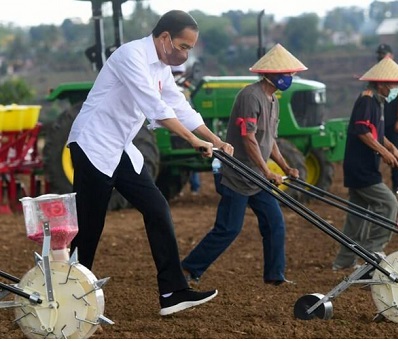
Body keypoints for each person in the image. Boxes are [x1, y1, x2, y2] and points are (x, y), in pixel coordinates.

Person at [66, 10, 234, 316]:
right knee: (89, 227)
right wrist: (192, 140)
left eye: (190, 49)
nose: (185, 54)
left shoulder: (161, 67)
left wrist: (215, 140)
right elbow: (154, 107)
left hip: (120, 148)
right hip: (92, 145)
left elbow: (179, 106)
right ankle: (67, 293)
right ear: (166, 38)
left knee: (158, 208)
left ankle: (173, 292)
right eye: (183, 46)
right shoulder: (131, 55)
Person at [181, 43, 304, 286]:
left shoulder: (274, 101)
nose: (290, 78)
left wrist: (285, 166)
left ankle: (274, 276)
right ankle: (188, 269)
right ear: (273, 75)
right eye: (287, 74)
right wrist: (268, 171)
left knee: (275, 224)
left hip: (257, 179)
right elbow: (248, 139)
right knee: (228, 229)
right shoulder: (251, 96)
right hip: (238, 175)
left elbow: (270, 140)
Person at [331, 57, 398, 272]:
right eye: (393, 84)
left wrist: (392, 148)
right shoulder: (367, 100)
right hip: (361, 168)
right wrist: (383, 151)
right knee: (389, 205)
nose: (395, 88)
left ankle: (343, 262)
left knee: (356, 217)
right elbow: (362, 131)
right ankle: (372, 253)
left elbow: (377, 132)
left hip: (364, 167)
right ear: (382, 84)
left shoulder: (378, 102)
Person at [376, 43, 398, 193]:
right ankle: (376, 184)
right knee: (375, 152)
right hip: (379, 121)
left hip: (393, 121)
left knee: (396, 152)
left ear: (392, 55)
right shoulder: (375, 73)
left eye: (385, 54)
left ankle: (397, 184)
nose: (382, 57)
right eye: (380, 55)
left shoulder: (397, 73)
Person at [171, 62, 201, 195]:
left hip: (186, 126)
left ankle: (195, 187)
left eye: (179, 74)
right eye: (175, 74)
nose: (178, 76)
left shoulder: (184, 88)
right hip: (177, 129)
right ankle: (193, 187)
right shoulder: (173, 87)